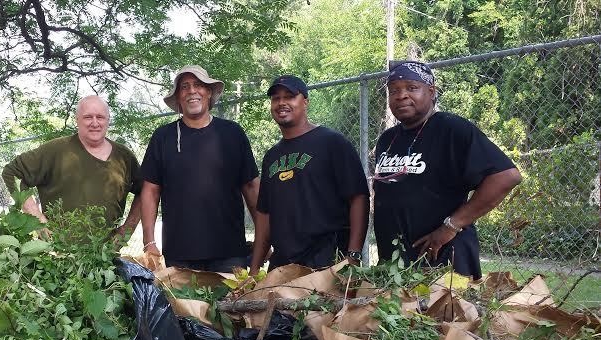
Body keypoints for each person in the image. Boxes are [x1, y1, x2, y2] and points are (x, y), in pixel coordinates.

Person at [372, 61, 522, 279]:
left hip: (442, 258)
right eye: (394, 90)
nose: (401, 95)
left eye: (412, 88)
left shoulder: (451, 128)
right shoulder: (388, 139)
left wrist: (451, 226)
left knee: (444, 313)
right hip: (395, 263)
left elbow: (506, 176)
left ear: (431, 92)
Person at [140, 65, 261, 272]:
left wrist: (263, 238)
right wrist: (149, 242)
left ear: (209, 92)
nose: (192, 91)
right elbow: (150, 191)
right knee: (182, 306)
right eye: (184, 87)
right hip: (179, 255)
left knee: (234, 305)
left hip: (230, 254)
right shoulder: (163, 137)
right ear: (178, 98)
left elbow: (251, 187)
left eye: (198, 85)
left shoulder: (232, 134)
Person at [250, 75, 369, 273]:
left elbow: (358, 197)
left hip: (326, 260)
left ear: (305, 102)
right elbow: (264, 215)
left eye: (289, 96)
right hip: (283, 264)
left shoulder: (332, 143)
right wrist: (254, 269)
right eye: (275, 98)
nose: (281, 103)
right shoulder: (271, 156)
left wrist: (353, 255)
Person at [1, 95, 142, 238]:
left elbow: (145, 192)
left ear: (108, 120)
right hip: (56, 253)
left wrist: (127, 230)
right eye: (88, 117)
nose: (94, 123)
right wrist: (37, 219)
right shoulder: (56, 150)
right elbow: (12, 172)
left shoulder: (124, 157)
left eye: (100, 117)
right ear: (77, 120)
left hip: (105, 256)